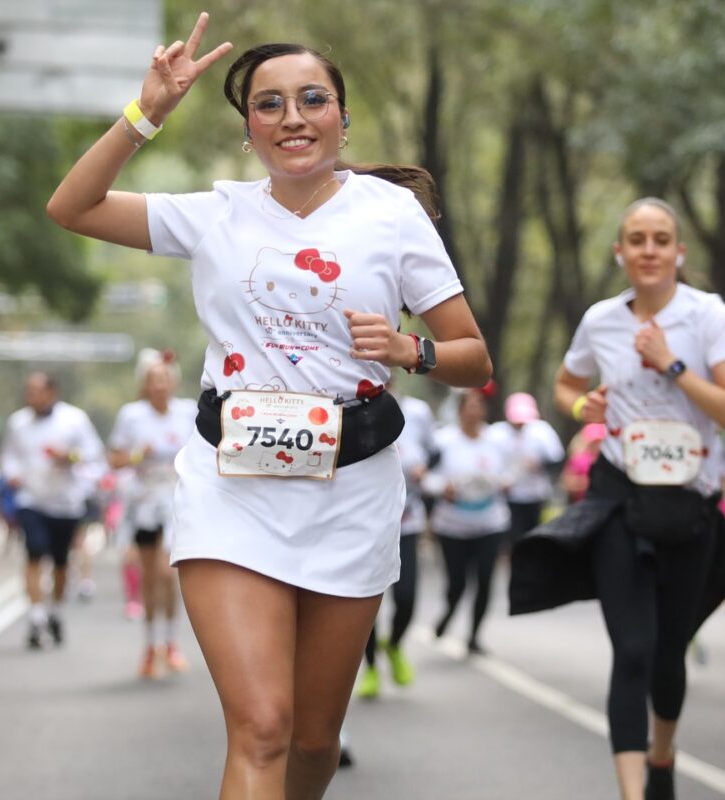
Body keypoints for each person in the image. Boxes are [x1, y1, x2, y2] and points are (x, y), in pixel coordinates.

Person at [46, 17, 491, 797]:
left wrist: (407, 350)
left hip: (351, 491)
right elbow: (73, 206)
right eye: (269, 105)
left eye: (311, 100)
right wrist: (145, 113)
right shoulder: (216, 212)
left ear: (341, 119)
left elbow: (472, 358)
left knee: (315, 743)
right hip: (233, 487)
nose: (292, 118)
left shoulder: (391, 215)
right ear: (248, 130)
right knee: (261, 728)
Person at [510, 197, 725, 800]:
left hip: (688, 504)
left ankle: (662, 756)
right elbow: (567, 382)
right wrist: (578, 405)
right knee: (634, 650)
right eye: (637, 239)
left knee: (669, 655)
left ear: (678, 252)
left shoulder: (709, 317)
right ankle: (633, 791)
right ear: (620, 252)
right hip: (617, 495)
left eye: (660, 239)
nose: (649, 250)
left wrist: (671, 366)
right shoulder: (601, 320)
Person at [0, 372, 104, 649]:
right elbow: (9, 456)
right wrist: (11, 474)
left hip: (65, 501)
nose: (31, 396)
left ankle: (55, 612)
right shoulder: (18, 422)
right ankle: (35, 617)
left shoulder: (74, 419)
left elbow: (94, 453)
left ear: (52, 392)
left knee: (60, 562)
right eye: (28, 390)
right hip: (30, 500)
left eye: (37, 390)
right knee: (34, 553)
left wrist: (68, 457)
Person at [109, 351, 196, 677]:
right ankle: (150, 646)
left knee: (168, 572)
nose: (159, 385)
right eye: (153, 379)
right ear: (144, 384)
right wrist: (136, 455)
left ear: (173, 381)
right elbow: (115, 460)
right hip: (143, 502)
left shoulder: (188, 411)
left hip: (177, 499)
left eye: (164, 378)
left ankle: (171, 643)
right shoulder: (131, 416)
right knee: (149, 576)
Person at [357, 385, 435, 697]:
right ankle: (372, 666)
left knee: (406, 598)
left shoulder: (417, 412)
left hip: (408, 521)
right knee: (365, 602)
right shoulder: (353, 403)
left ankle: (395, 645)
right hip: (364, 523)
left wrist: (425, 470)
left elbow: (434, 452)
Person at [425, 388, 511, 655]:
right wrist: (442, 489)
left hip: (490, 523)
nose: (474, 411)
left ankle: (474, 635)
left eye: (479, 406)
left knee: (485, 580)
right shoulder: (443, 441)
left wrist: (507, 483)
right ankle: (449, 612)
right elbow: (426, 478)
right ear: (460, 411)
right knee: (457, 583)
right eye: (469, 406)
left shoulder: (496, 440)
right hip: (452, 526)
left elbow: (510, 472)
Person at [489, 392, 565, 542]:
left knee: (534, 537)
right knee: (513, 538)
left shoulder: (542, 431)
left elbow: (558, 460)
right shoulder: (496, 433)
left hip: (536, 496)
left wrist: (540, 465)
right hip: (507, 497)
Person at [562, 423, 607, 504]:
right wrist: (587, 483)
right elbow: (567, 482)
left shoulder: (610, 460)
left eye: (600, 441)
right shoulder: (579, 460)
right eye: (595, 442)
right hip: (582, 504)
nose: (597, 445)